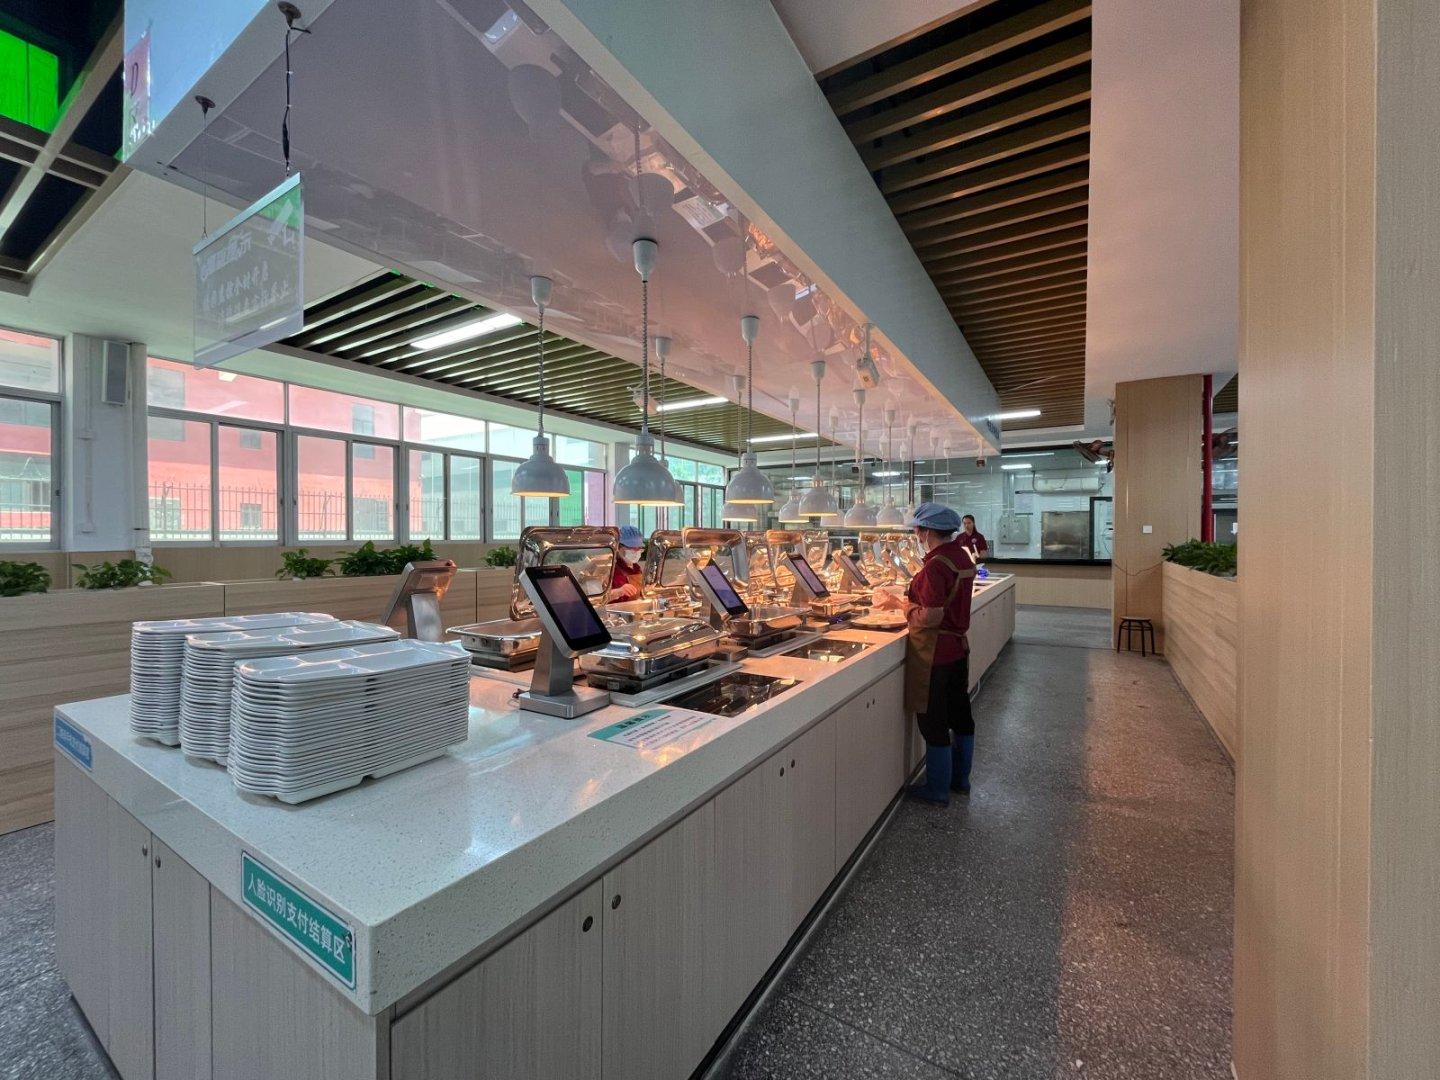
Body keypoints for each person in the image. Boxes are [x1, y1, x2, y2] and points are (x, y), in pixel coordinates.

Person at [900, 502, 977, 805]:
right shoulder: (961, 555)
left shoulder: (935, 566)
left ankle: (937, 790)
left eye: (917, 530)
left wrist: (905, 607)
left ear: (927, 531)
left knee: (933, 721)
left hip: (935, 653)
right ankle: (961, 781)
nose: (917, 535)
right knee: (961, 715)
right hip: (958, 650)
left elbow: (931, 616)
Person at [610, 525, 647, 601]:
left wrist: (646, 590)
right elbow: (597, 599)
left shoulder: (636, 568)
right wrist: (618, 592)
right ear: (618, 547)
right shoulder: (610, 568)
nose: (636, 552)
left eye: (639, 548)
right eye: (632, 548)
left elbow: (638, 593)